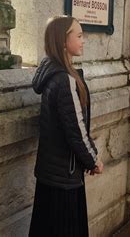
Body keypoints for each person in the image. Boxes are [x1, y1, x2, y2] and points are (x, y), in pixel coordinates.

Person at [30, 16, 103, 237]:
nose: (84, 40)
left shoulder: (56, 73)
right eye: (79, 35)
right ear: (63, 40)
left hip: (52, 173)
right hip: (65, 175)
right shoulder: (64, 79)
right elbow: (76, 130)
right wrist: (93, 160)